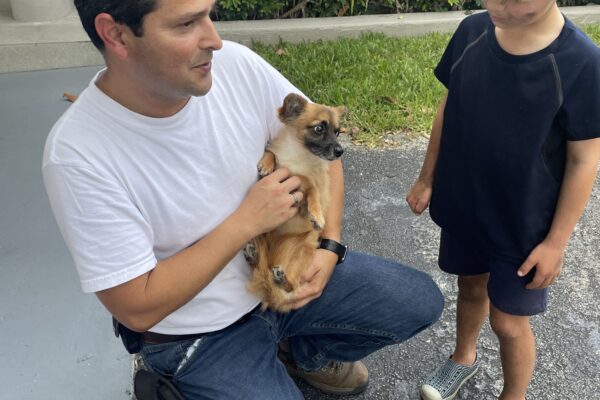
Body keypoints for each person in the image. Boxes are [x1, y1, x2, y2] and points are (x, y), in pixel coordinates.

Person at [42, 0, 444, 399]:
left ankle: (301, 353)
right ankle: (181, 381)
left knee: (418, 300)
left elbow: (323, 154)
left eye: (209, 15)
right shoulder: (79, 154)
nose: (214, 39)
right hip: (197, 334)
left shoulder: (235, 65)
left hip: (287, 274)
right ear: (116, 34)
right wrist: (246, 222)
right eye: (186, 24)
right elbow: (136, 307)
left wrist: (329, 245)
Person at [406, 0, 600, 399]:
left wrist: (556, 243)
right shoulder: (471, 32)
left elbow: (585, 158)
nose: (495, 4)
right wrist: (427, 177)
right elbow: (448, 106)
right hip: (468, 205)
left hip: (524, 226)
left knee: (508, 322)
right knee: (470, 286)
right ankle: (462, 358)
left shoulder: (583, 62)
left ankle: (514, 395)